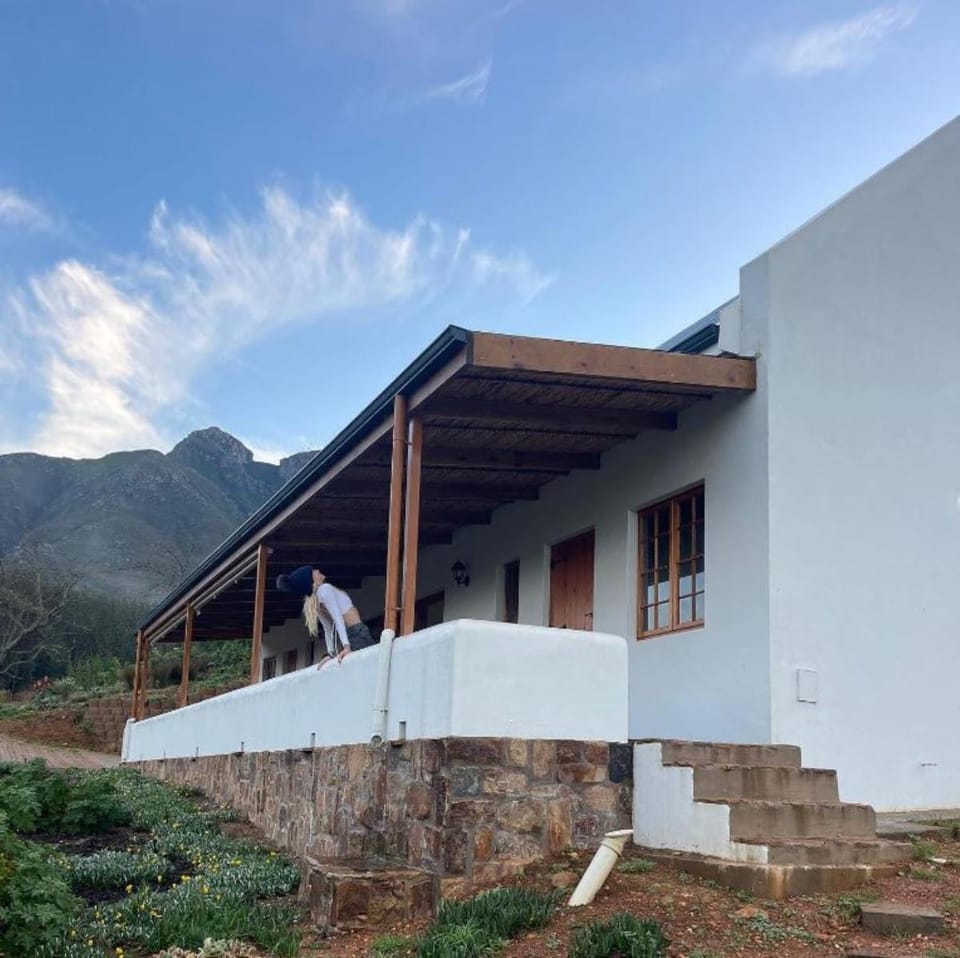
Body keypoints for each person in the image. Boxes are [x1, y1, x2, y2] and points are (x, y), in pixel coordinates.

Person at [275, 565, 376, 666]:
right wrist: (346, 647)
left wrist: (331, 653)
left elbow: (328, 628)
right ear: (311, 579)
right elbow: (338, 619)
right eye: (313, 571)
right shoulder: (325, 589)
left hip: (352, 636)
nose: (318, 570)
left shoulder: (316, 599)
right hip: (358, 633)